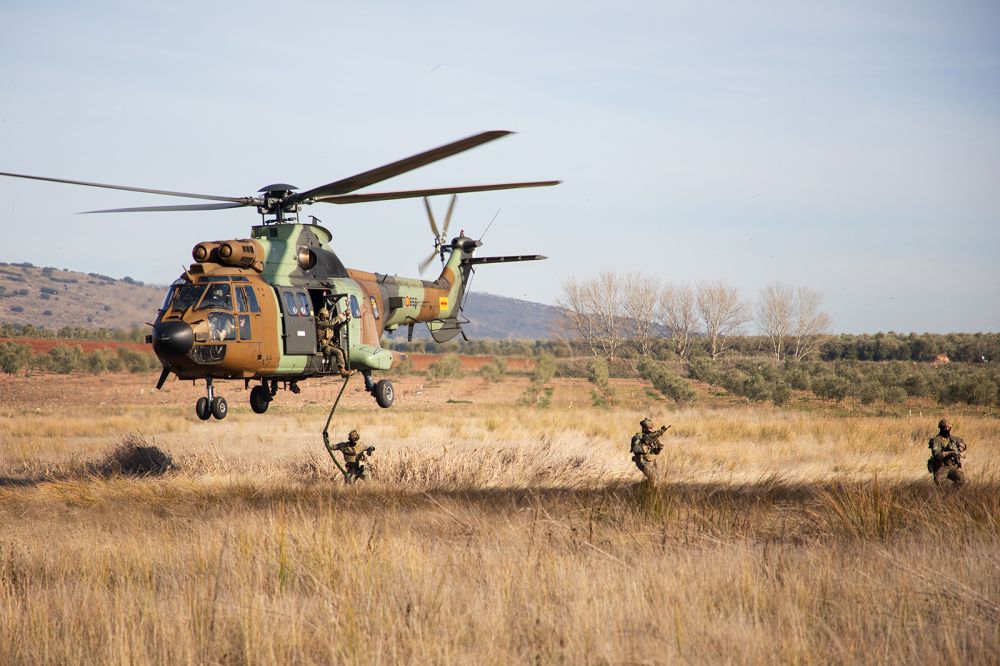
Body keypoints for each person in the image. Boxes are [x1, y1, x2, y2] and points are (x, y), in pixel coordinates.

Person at [317, 298, 351, 377]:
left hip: (328, 345)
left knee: (342, 351)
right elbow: (331, 323)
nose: (325, 318)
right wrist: (343, 314)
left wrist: (346, 321)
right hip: (322, 347)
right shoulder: (320, 324)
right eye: (324, 316)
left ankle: (346, 370)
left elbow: (336, 326)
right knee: (338, 352)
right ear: (321, 316)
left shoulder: (327, 325)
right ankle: (342, 371)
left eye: (326, 316)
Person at [927, 418, 966, 487]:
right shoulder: (936, 440)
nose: (947, 429)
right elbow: (937, 455)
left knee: (961, 480)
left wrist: (961, 447)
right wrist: (950, 452)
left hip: (953, 467)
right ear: (941, 428)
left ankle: (952, 495)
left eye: (949, 427)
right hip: (941, 467)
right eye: (945, 428)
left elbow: (962, 444)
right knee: (941, 486)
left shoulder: (954, 439)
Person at [631, 417, 669, 483]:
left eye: (651, 428)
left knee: (658, 480)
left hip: (652, 461)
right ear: (645, 428)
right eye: (649, 428)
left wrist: (658, 448)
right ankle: (638, 489)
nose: (651, 429)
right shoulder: (639, 437)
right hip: (642, 460)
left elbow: (655, 452)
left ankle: (643, 490)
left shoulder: (653, 438)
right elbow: (635, 449)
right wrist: (644, 444)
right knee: (653, 479)